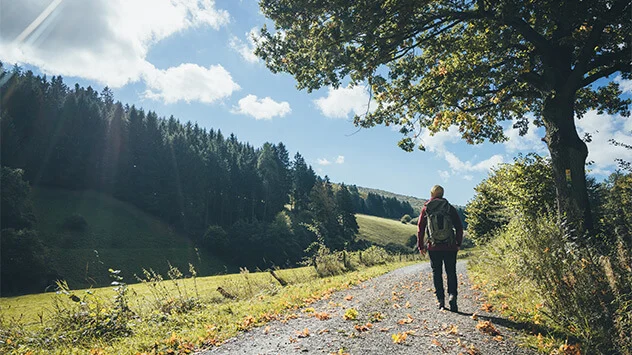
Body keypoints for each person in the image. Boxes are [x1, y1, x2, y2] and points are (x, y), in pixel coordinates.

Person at [417, 185, 463, 312]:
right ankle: (452, 296)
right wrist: (458, 243)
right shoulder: (449, 208)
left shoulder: (426, 208)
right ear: (442, 194)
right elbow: (459, 227)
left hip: (434, 246)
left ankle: (440, 301)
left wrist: (421, 246)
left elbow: (420, 229)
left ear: (432, 194)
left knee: (437, 273)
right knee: (451, 272)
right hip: (450, 246)